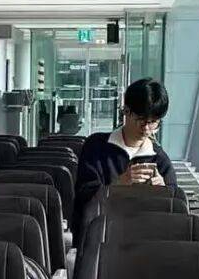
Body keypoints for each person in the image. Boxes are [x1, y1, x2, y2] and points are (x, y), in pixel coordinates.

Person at [72, 78, 178, 226]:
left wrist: (163, 192)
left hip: (145, 234)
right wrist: (117, 185)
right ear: (126, 111)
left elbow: (176, 210)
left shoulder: (159, 160)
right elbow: (82, 199)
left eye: (153, 122)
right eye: (141, 119)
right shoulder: (96, 147)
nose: (146, 128)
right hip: (102, 234)